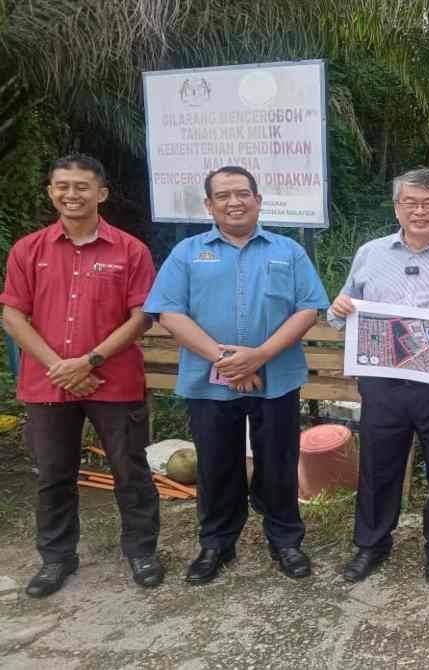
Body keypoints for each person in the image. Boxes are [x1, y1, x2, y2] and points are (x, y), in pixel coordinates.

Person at [143, 166, 330, 584]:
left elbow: (307, 309)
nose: (234, 202)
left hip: (277, 377)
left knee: (278, 462)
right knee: (216, 464)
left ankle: (285, 541)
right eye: (223, 196)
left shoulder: (288, 251)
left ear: (258, 200)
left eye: (242, 193)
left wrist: (259, 356)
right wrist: (228, 360)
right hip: (209, 383)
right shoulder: (187, 253)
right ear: (209, 205)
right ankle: (216, 544)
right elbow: (170, 311)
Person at [0, 154, 163, 596]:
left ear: (101, 193)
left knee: (130, 470)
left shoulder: (130, 250)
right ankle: (56, 559)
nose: (71, 194)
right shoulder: (28, 250)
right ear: (51, 191)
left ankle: (142, 551)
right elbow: (12, 313)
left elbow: (142, 316)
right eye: (62, 186)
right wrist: (60, 367)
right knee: (54, 474)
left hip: (115, 381)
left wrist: (89, 361)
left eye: (82, 186)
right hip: (47, 383)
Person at [329, 168, 429, 587]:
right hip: (384, 380)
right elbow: (340, 312)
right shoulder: (371, 253)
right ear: (397, 207)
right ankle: (372, 544)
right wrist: (340, 310)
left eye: (428, 203)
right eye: (410, 202)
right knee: (378, 464)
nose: (419, 211)